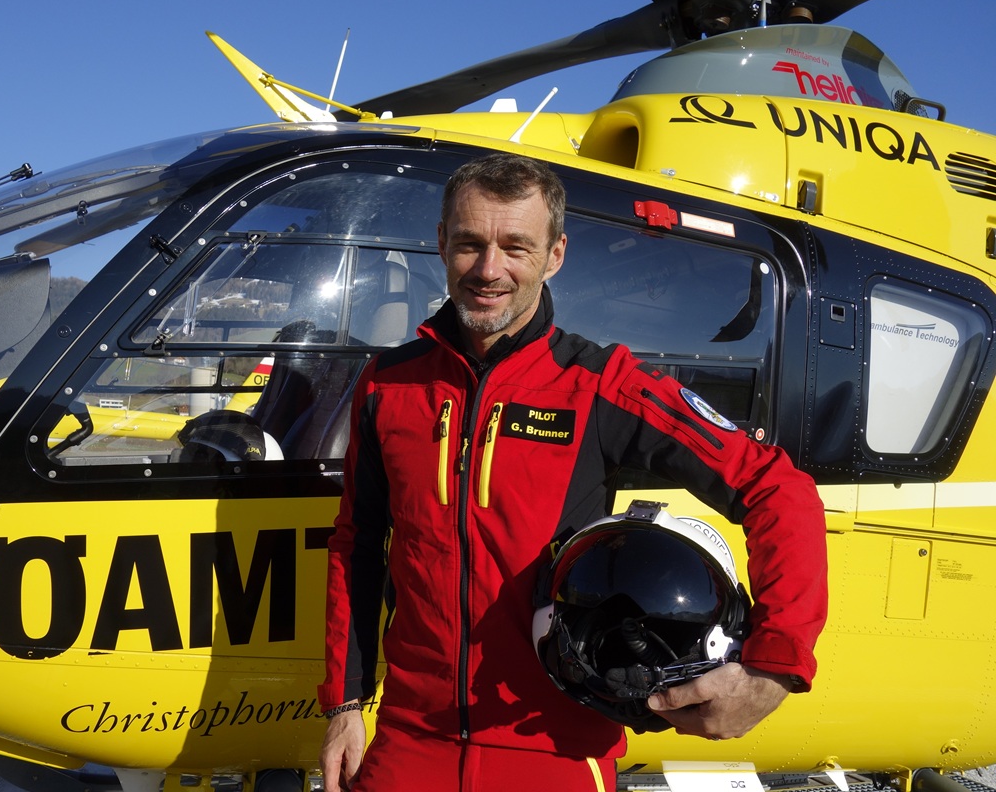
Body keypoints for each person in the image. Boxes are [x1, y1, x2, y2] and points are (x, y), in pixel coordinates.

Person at [318, 154, 828, 792]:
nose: (489, 269)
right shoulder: (389, 385)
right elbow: (357, 546)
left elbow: (778, 489)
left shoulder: (601, 384)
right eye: (470, 244)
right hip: (409, 741)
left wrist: (773, 668)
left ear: (555, 255)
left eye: (516, 247)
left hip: (556, 746)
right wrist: (344, 705)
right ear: (442, 243)